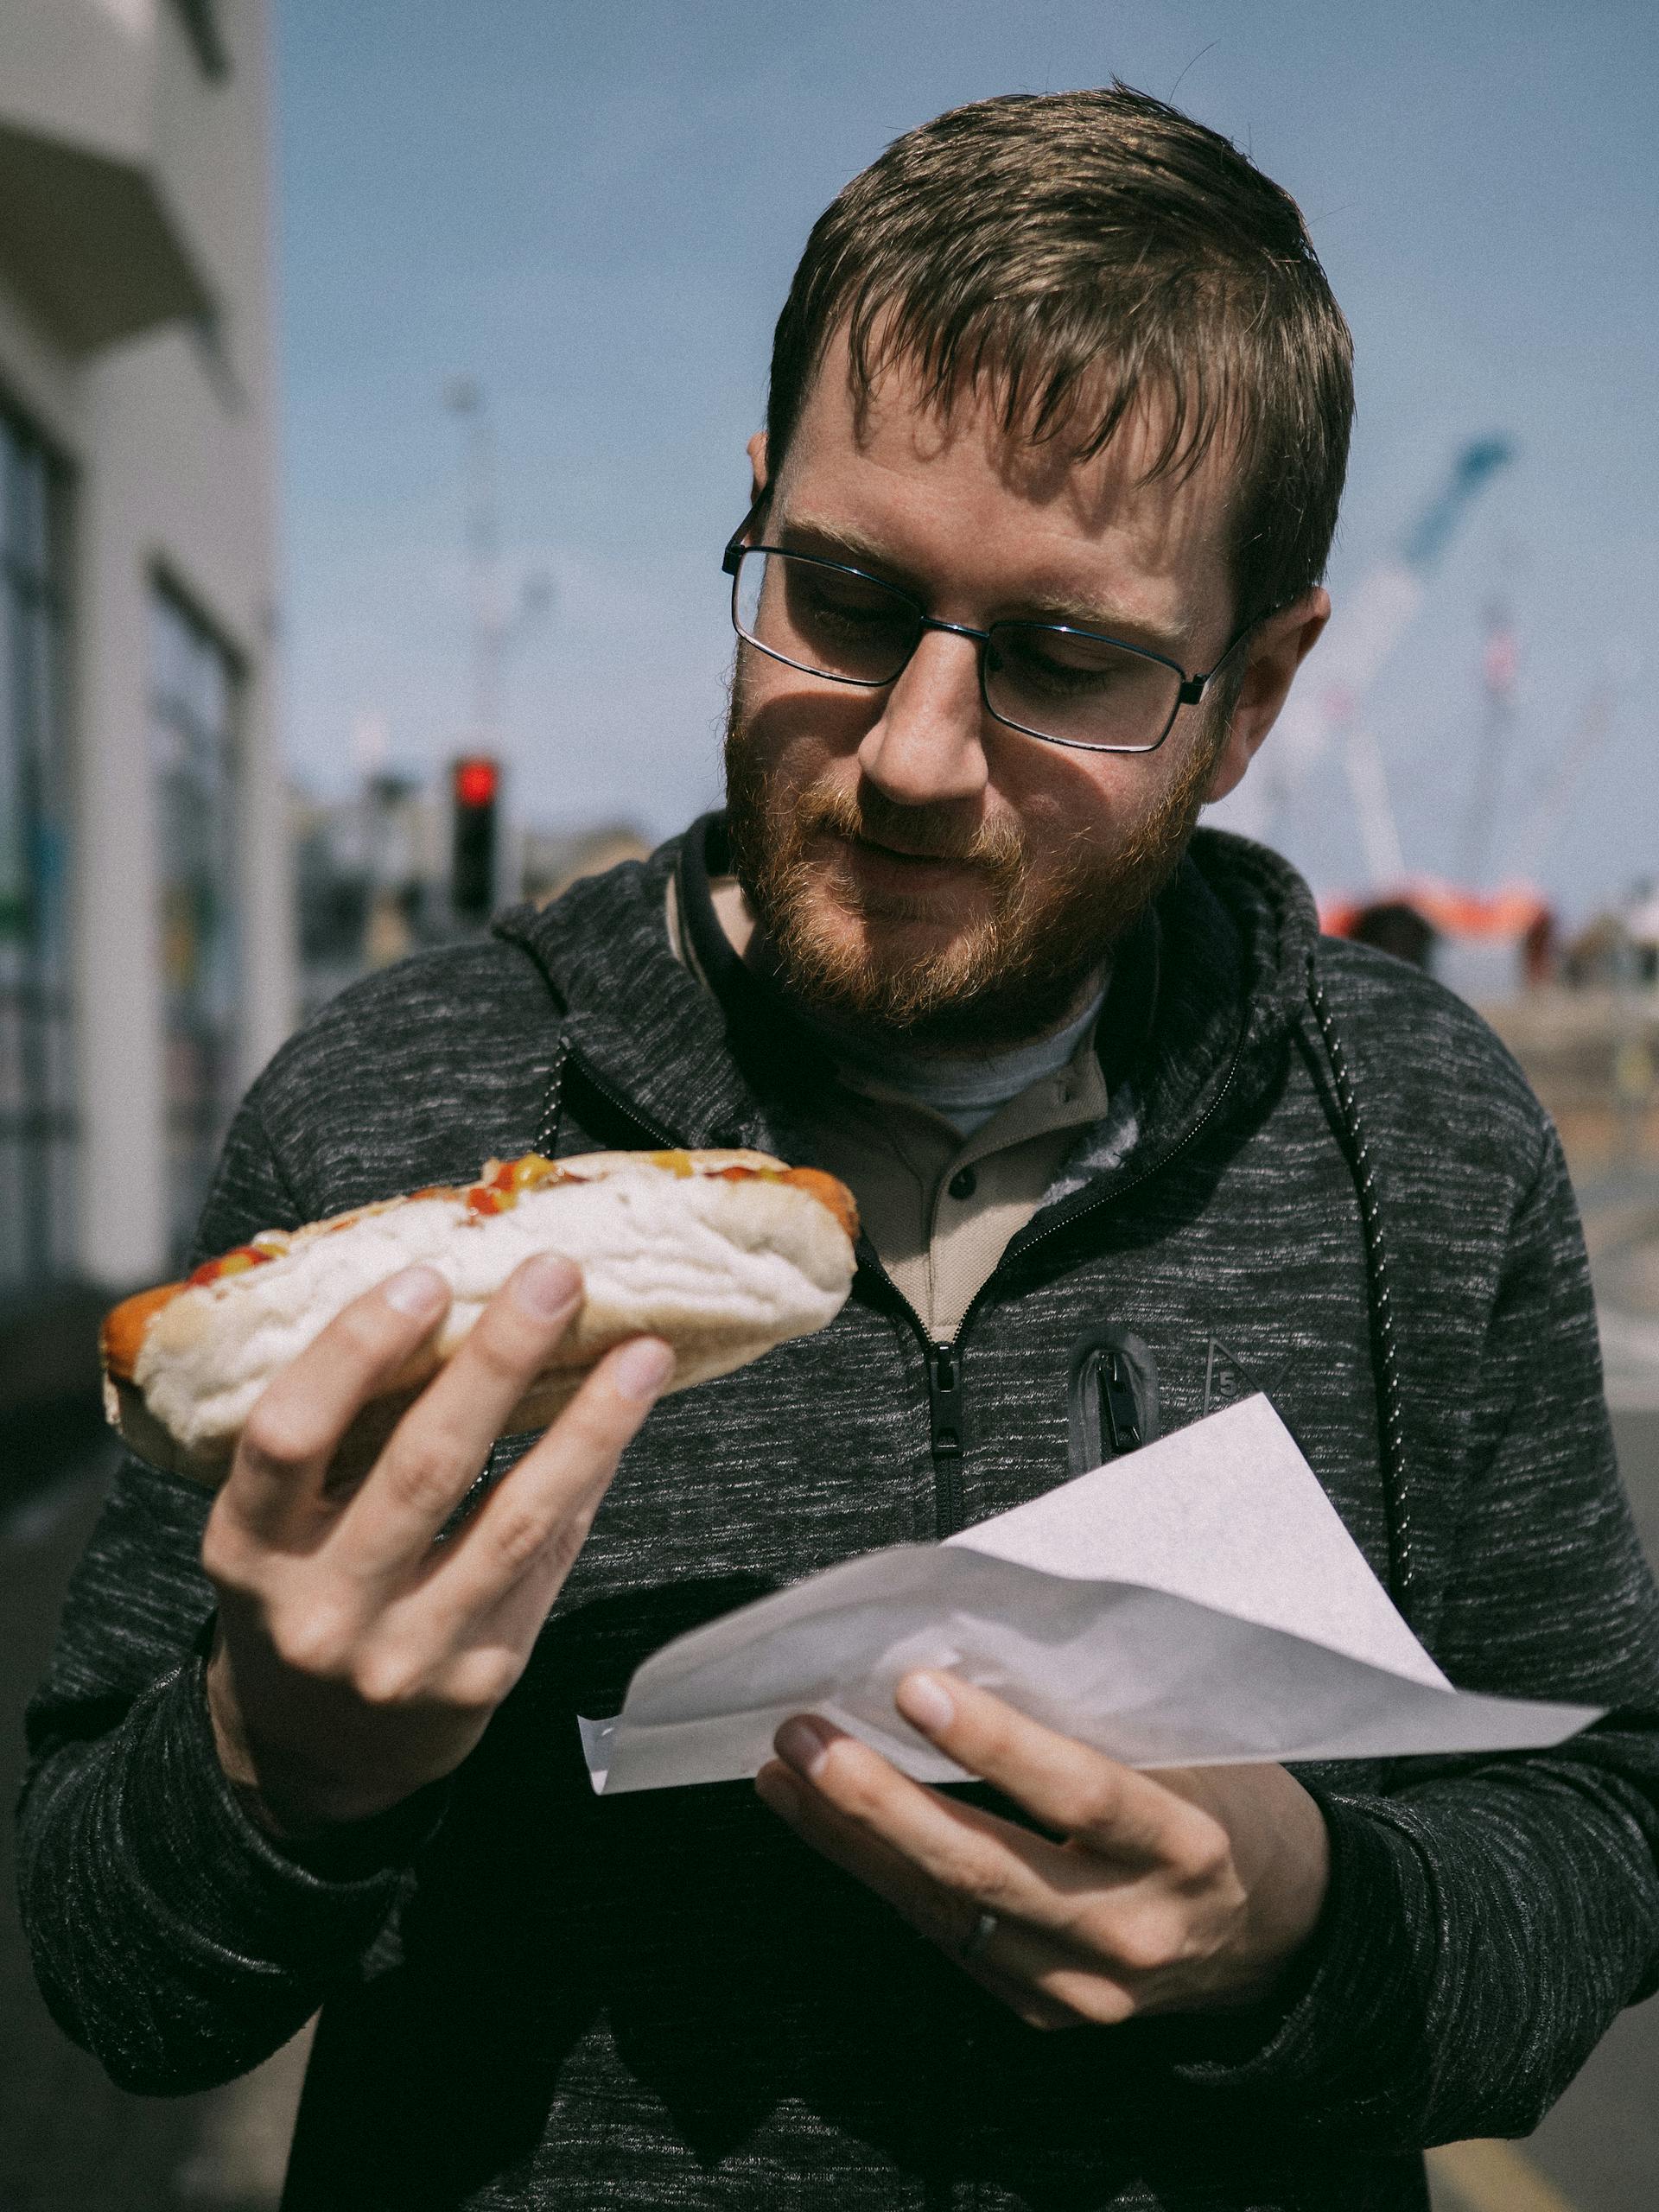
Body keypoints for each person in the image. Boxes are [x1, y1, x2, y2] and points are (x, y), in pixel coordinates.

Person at [18, 85, 1659, 2212]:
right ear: (756, 518)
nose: (913, 752)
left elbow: (1604, 1824)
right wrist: (279, 1771)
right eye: (849, 597)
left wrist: (1309, 1929)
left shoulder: (1423, 1132)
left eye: (1065, 658)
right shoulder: (394, 1108)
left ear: (1255, 695)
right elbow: (116, 1976)